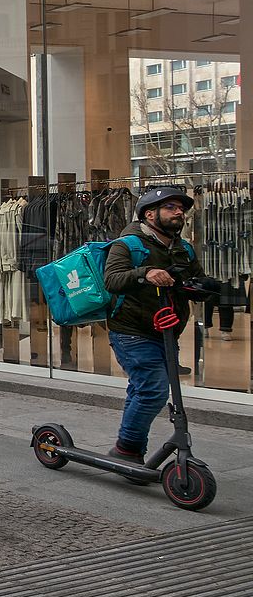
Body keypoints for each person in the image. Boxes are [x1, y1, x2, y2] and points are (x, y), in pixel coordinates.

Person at [103, 184, 207, 464]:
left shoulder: (182, 248)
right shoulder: (127, 244)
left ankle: (129, 447)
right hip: (131, 331)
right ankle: (126, 449)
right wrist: (146, 273)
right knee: (154, 389)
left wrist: (203, 287)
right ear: (150, 215)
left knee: (142, 389)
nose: (179, 213)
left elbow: (191, 280)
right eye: (171, 208)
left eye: (181, 209)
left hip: (166, 332)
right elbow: (111, 280)